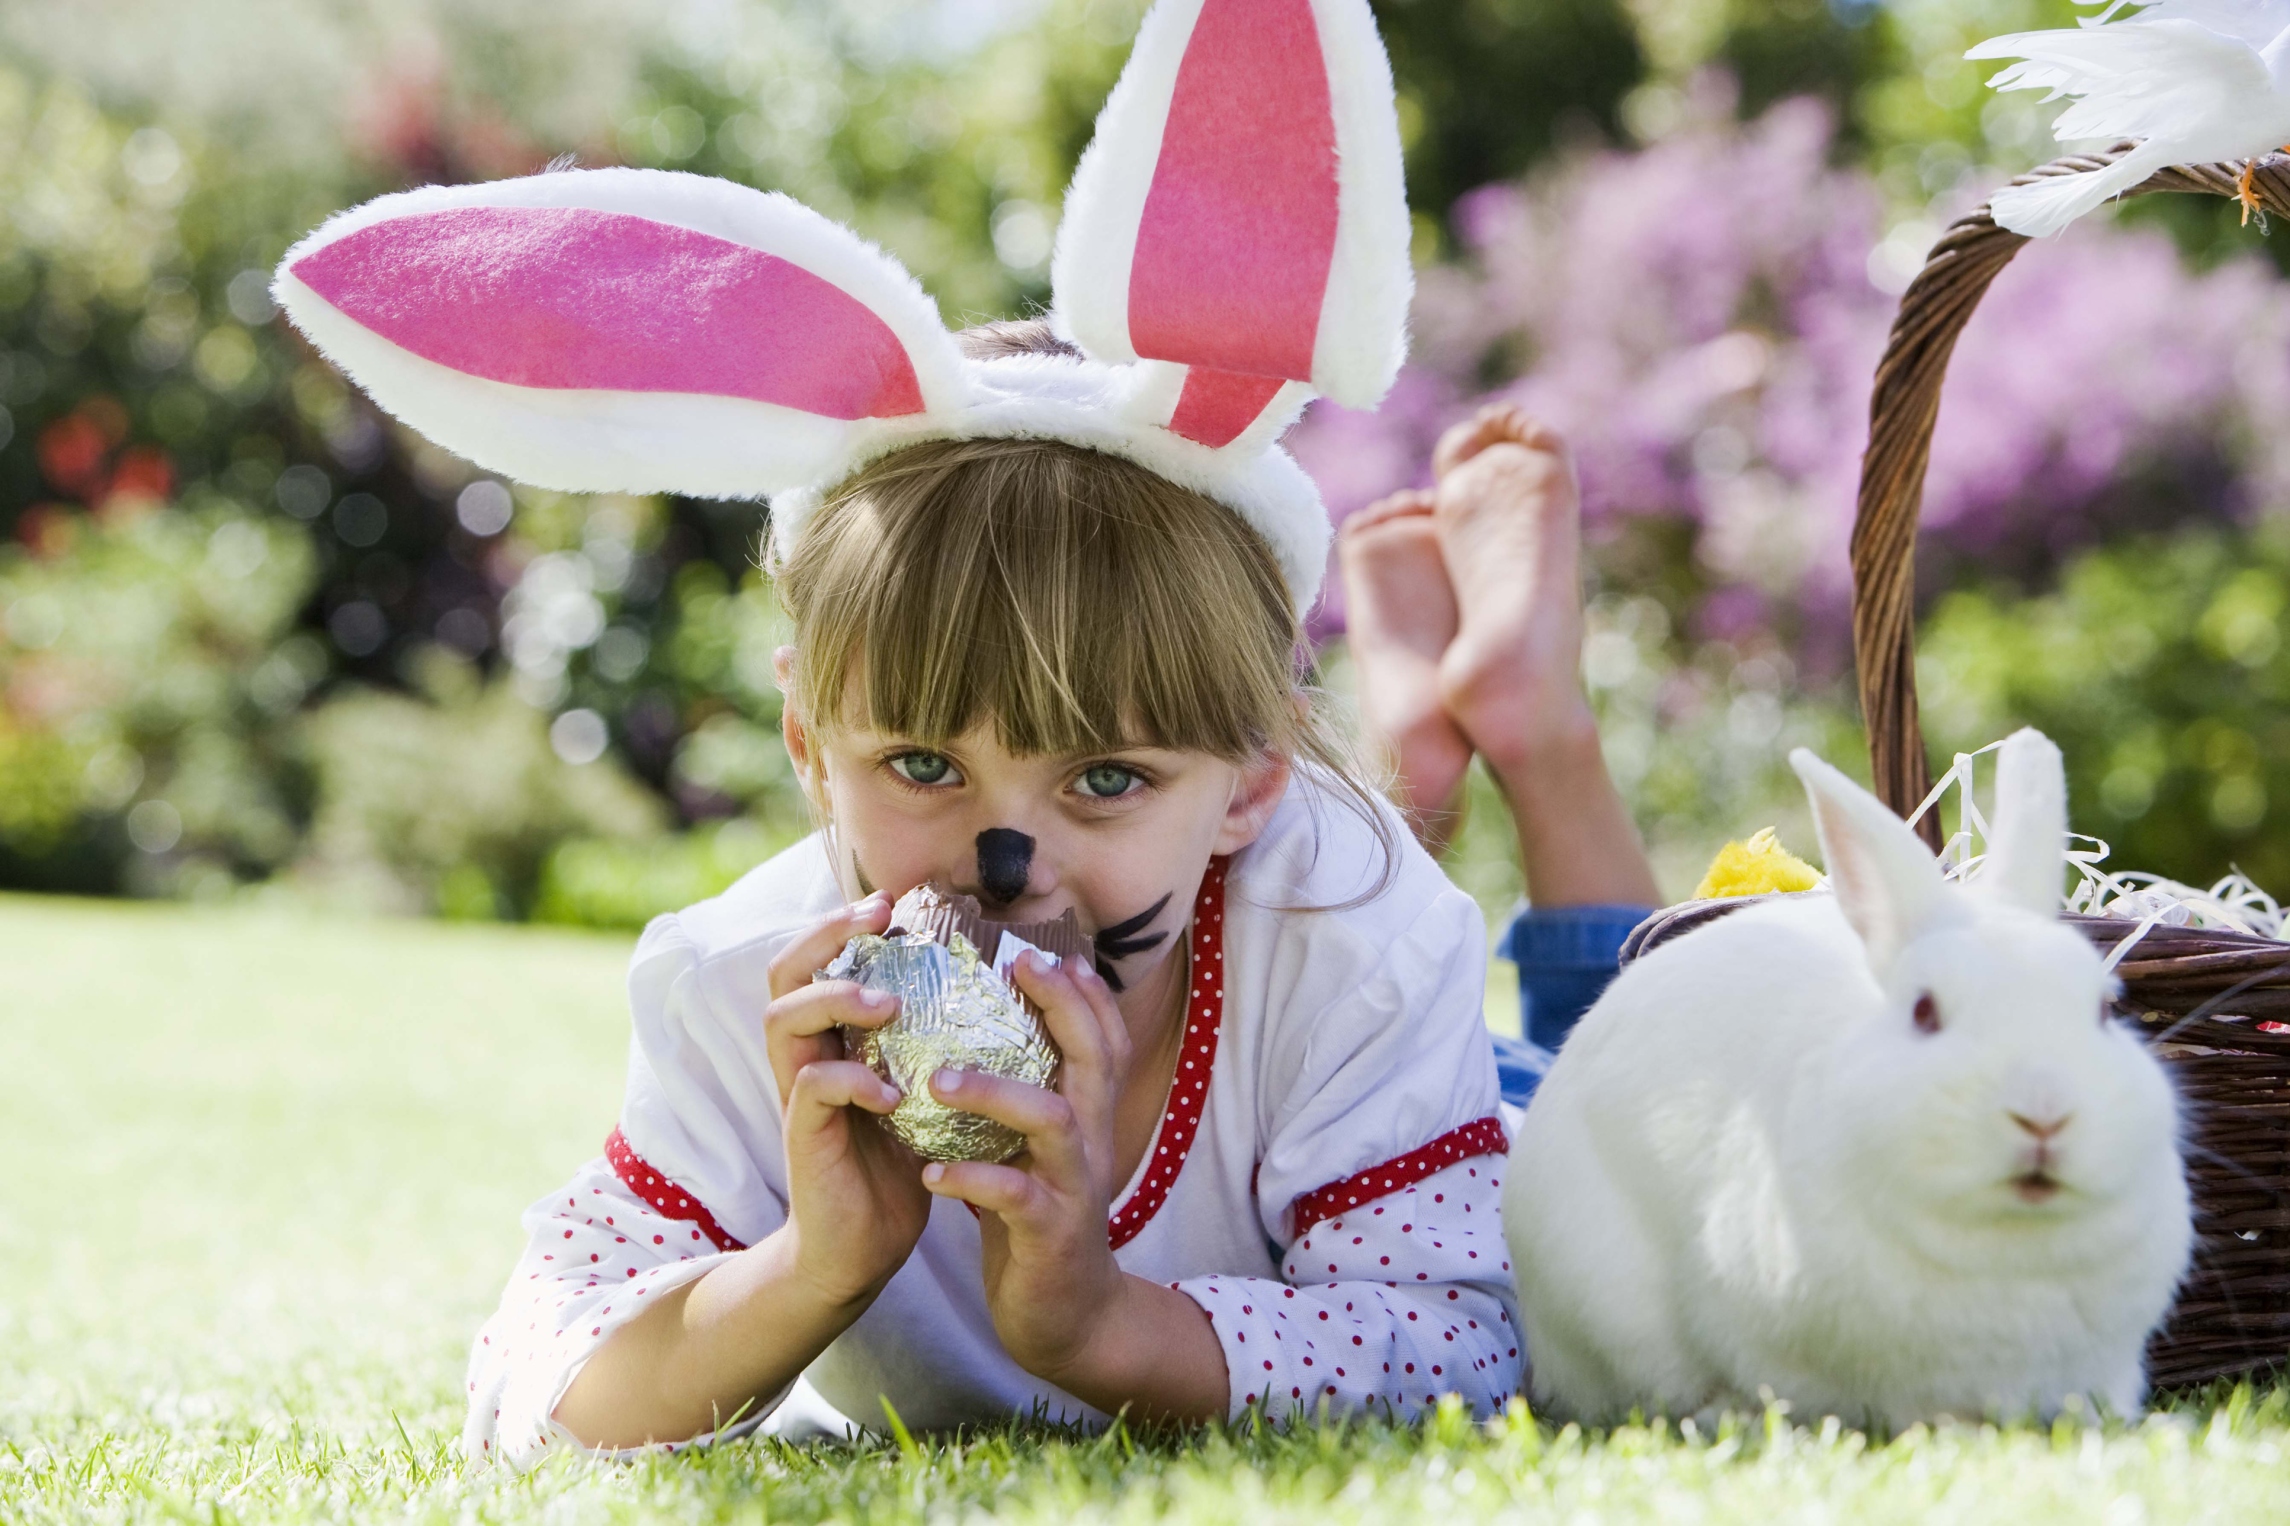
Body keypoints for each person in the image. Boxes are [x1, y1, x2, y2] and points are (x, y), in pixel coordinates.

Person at [265, 0, 1588, 1460]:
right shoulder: (742, 988)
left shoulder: (1347, 939)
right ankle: (1414, 732)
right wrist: (809, 1262)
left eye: (1102, 776)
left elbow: (1472, 1338)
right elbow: (539, 1380)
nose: (1005, 856)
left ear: (1245, 781)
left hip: (1490, 1115)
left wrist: (1098, 1320)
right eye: (920, 765)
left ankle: (1528, 733)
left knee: (1641, 1076)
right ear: (803, 743)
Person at [1337, 404, 1660, 1107]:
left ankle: (1397, 799)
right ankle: (1546, 739)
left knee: (1322, 1036)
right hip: (1577, 1136)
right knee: (1638, 1075)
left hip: (1369, 1138)